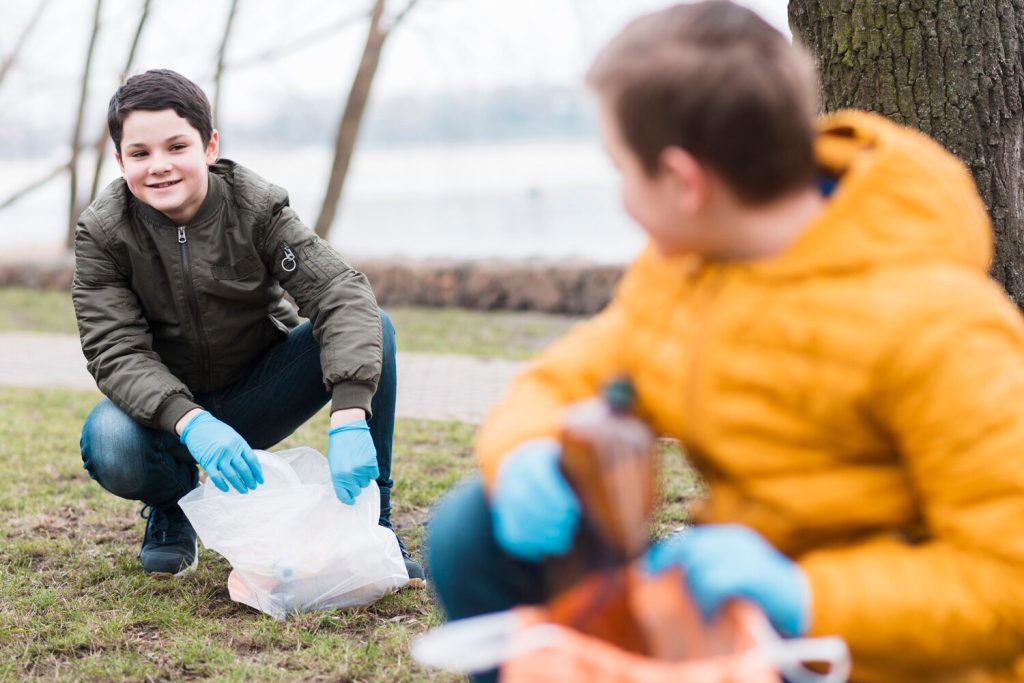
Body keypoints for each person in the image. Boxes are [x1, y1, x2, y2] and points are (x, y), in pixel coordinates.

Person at [426, 2, 1024, 681]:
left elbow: (1008, 580)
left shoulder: (945, 328)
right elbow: (565, 377)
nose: (622, 198)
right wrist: (526, 446)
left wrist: (806, 594)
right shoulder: (685, 270)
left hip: (869, 647)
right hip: (734, 606)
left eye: (622, 169)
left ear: (684, 182)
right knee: (473, 529)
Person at [73, 68, 423, 583]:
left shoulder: (256, 206)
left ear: (209, 146)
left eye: (177, 147)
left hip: (259, 391)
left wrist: (349, 413)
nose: (160, 166)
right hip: (170, 418)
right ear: (121, 161)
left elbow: (339, 292)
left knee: (374, 323)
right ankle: (174, 509)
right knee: (109, 438)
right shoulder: (103, 231)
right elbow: (114, 348)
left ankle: (376, 523)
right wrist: (190, 420)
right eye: (141, 153)